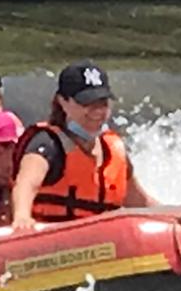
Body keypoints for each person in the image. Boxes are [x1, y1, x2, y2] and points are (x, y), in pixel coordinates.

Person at [11, 62, 157, 226]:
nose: (97, 111)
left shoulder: (113, 149)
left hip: (102, 246)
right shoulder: (48, 143)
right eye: (86, 103)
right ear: (63, 102)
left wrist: (176, 217)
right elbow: (26, 184)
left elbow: (140, 202)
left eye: (103, 103)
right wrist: (22, 216)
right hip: (55, 244)